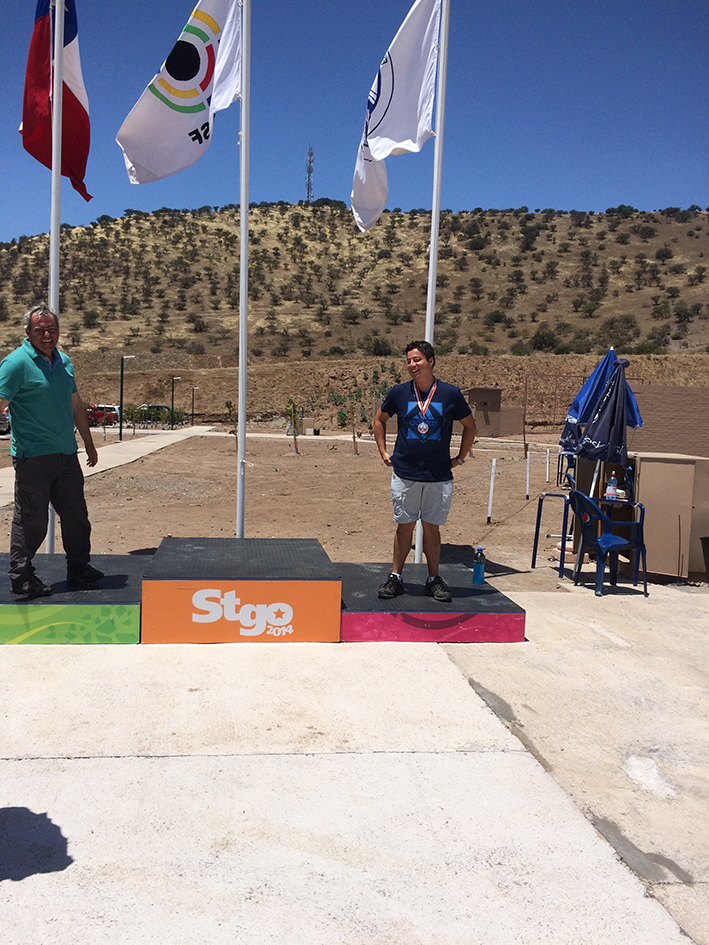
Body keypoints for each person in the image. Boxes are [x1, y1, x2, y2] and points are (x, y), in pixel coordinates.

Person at [0, 303, 103, 597]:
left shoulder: (65, 361)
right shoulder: (15, 364)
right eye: (40, 330)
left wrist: (89, 443)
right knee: (31, 520)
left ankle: (79, 567)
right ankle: (21, 577)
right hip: (33, 458)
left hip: (66, 456)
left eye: (52, 329)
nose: (47, 335)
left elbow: (75, 404)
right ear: (27, 332)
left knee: (76, 516)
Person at [373, 340, 476, 602]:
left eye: (417, 359)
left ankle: (433, 579)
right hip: (405, 473)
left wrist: (460, 458)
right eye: (408, 360)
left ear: (431, 361)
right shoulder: (399, 392)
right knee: (404, 526)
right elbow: (379, 420)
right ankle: (396, 577)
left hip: (438, 475)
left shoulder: (450, 394)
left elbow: (470, 425)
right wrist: (383, 451)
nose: (412, 365)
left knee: (432, 528)